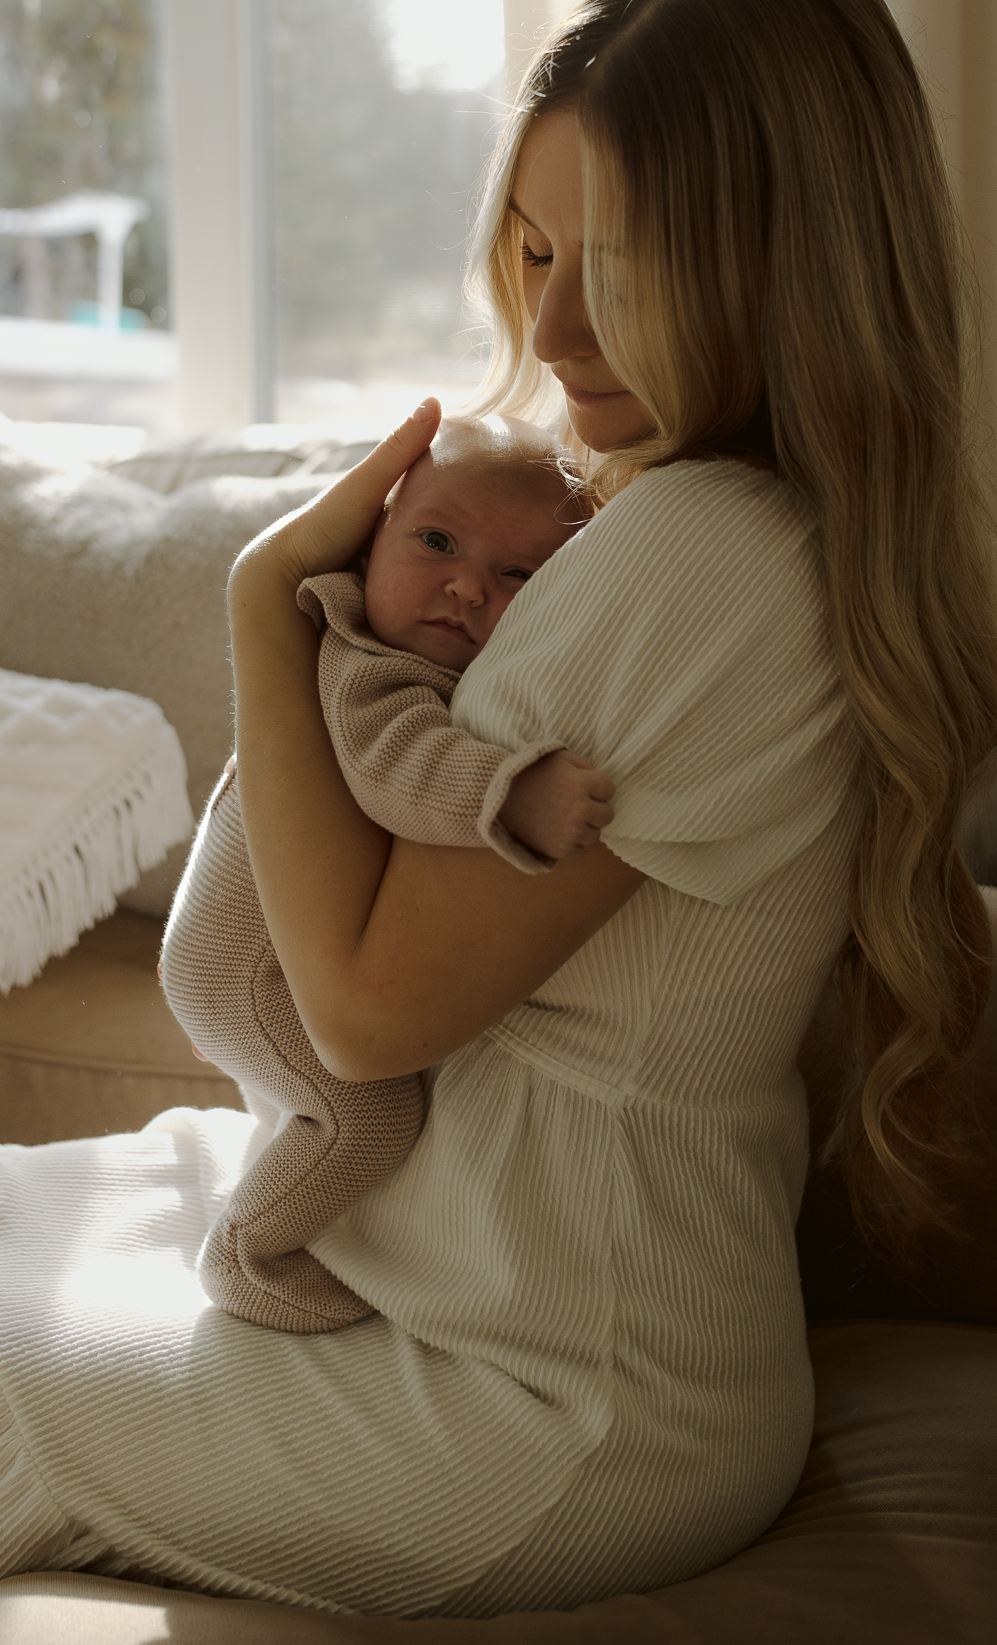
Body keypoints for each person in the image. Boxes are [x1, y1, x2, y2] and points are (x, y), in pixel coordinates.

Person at [0, 0, 997, 1641]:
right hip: (453, 1264)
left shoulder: (702, 557)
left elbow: (365, 1010)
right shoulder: (661, 508)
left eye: (616, 261)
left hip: (547, 1390)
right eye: (533, 245)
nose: (545, 321)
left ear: (784, 260)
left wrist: (267, 600)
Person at [164, 414, 613, 1335]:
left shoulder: (397, 651)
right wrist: (508, 793)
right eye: (437, 542)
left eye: (517, 573)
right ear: (372, 537)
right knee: (366, 1123)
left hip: (251, 958)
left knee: (310, 1100)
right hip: (251, 969)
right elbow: (392, 770)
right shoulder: (366, 666)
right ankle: (250, 1258)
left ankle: (282, 1188)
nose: (464, 586)